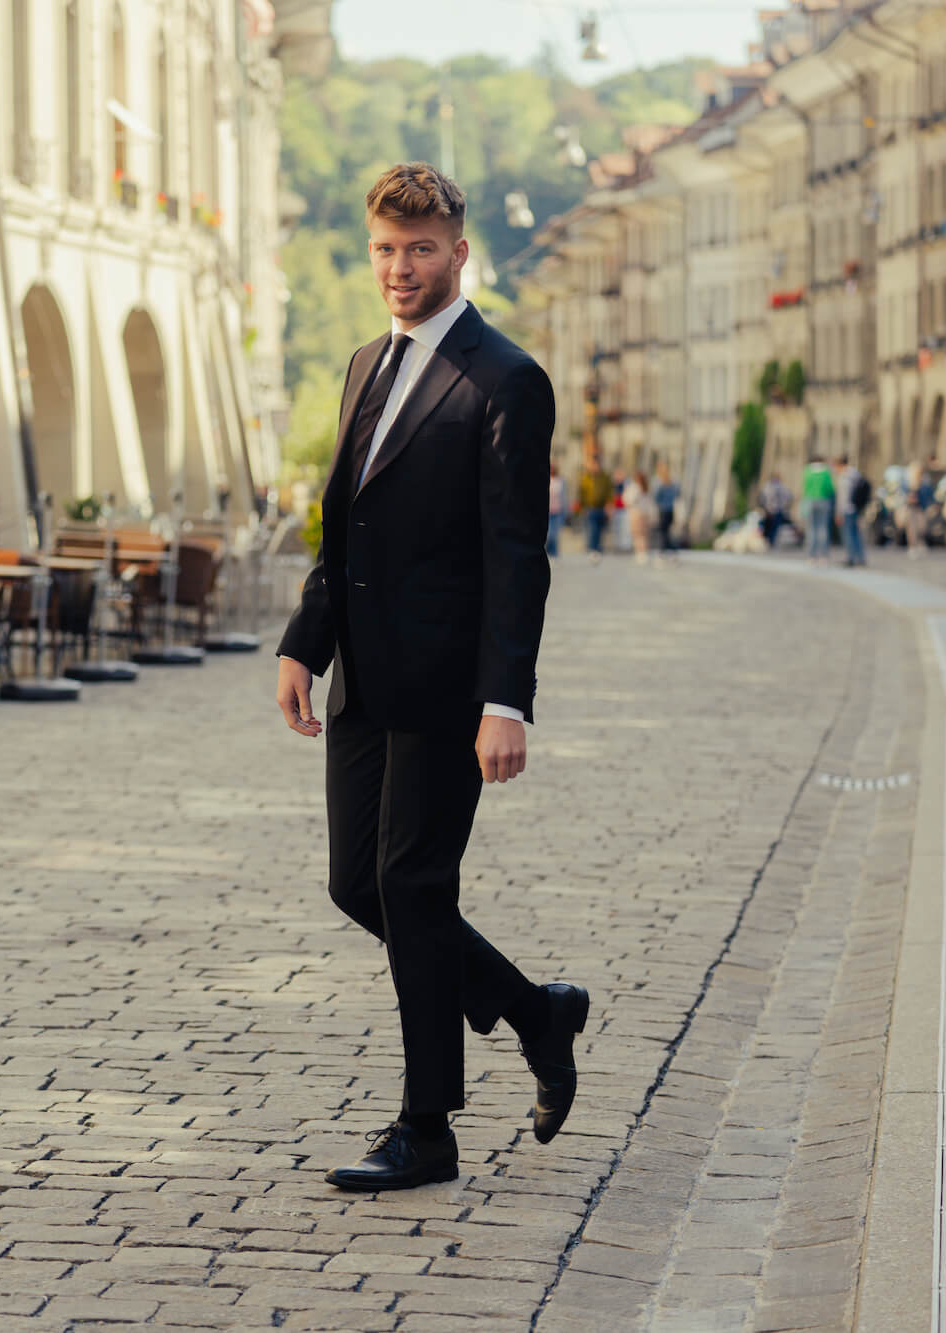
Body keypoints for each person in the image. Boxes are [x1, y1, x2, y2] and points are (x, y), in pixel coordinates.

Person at [274, 162, 588, 1193]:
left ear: (459, 251)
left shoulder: (505, 379)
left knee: (412, 884)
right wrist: (302, 644)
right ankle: (533, 1009)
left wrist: (506, 702)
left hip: (451, 685)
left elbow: (515, 556)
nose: (399, 268)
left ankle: (427, 1127)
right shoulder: (367, 361)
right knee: (356, 883)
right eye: (383, 249)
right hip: (364, 674)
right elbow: (343, 524)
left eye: (419, 249)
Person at [801, 457, 835, 563]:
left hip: (810, 500)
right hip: (823, 501)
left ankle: (811, 555)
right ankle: (823, 556)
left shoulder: (807, 471)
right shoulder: (825, 472)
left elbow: (804, 487)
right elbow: (830, 488)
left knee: (811, 529)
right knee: (823, 528)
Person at [838, 456, 869, 567]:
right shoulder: (856, 474)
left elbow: (843, 496)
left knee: (848, 534)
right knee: (856, 534)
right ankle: (860, 558)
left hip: (847, 509)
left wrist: (839, 512)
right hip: (856, 508)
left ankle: (850, 557)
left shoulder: (845, 477)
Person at [578, 461, 612, 562]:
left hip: (602, 507)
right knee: (592, 529)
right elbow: (581, 493)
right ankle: (592, 549)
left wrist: (609, 504)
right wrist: (582, 506)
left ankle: (598, 549)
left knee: (600, 529)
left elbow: (609, 491)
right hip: (590, 507)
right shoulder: (586, 478)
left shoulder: (604, 477)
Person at [623, 470, 655, 563]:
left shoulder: (634, 487)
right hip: (645, 514)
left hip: (636, 513)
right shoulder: (646, 488)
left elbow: (629, 500)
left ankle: (640, 553)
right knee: (644, 535)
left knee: (637, 534)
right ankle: (644, 552)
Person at [905, 462, 932, 558]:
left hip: (921, 508)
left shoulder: (925, 483)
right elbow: (906, 496)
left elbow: (928, 495)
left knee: (922, 527)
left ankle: (920, 542)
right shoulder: (910, 483)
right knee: (912, 528)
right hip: (912, 509)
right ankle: (912, 546)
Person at [759, 472, 791, 548]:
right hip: (778, 511)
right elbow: (789, 498)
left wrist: (765, 507)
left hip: (769, 511)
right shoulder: (783, 487)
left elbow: (763, 498)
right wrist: (784, 507)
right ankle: (772, 543)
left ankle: (768, 543)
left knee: (768, 528)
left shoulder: (767, 486)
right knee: (774, 528)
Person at [654, 465, 681, 551]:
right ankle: (667, 544)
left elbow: (657, 498)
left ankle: (665, 545)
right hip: (670, 509)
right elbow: (677, 495)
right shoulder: (673, 484)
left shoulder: (662, 485)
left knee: (664, 529)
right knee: (666, 529)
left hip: (664, 510)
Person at [545, 460, 565, 559]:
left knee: (555, 534)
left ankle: (555, 554)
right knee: (548, 535)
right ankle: (548, 553)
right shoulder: (546, 479)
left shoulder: (560, 481)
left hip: (557, 511)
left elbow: (563, 496)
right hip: (547, 511)